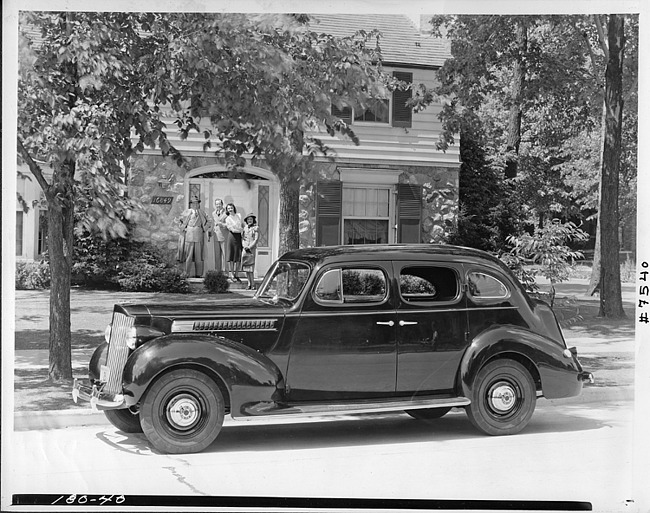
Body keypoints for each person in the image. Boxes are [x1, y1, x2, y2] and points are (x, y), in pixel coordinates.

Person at [178, 195, 209, 278]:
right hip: (189, 235)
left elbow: (209, 221)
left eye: (196, 203)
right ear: (191, 204)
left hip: (199, 235)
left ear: (198, 204)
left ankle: (199, 274)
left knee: (199, 256)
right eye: (193, 203)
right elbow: (179, 221)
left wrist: (204, 228)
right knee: (188, 255)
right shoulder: (186, 212)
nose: (195, 204)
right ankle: (186, 273)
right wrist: (183, 229)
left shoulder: (202, 212)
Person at [224, 203, 243, 282]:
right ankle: (231, 274)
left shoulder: (238, 215)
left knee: (238, 256)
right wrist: (240, 230)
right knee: (231, 256)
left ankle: (237, 273)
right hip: (232, 237)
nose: (230, 210)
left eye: (231, 208)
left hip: (239, 237)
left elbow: (241, 226)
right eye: (228, 209)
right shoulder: (228, 218)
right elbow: (232, 229)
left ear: (234, 208)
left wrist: (240, 229)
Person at [208, 198, 228, 272]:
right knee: (217, 255)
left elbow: (229, 224)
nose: (218, 205)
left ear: (222, 204)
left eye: (219, 204)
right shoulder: (213, 213)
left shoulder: (226, 213)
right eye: (216, 204)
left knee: (225, 255)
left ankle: (226, 272)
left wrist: (222, 224)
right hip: (216, 236)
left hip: (224, 236)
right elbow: (214, 224)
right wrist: (211, 232)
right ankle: (218, 272)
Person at [241, 213, 259, 290]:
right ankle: (249, 283)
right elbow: (243, 238)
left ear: (253, 220)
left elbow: (256, 239)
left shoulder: (256, 228)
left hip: (251, 249)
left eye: (251, 219)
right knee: (246, 267)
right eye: (248, 219)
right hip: (245, 249)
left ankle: (253, 284)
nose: (249, 221)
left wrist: (250, 247)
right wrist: (244, 246)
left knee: (251, 267)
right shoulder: (244, 228)